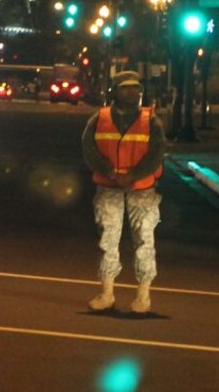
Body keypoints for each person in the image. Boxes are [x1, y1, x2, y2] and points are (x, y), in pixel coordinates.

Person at [81, 70, 166, 314]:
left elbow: (157, 153)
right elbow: (89, 149)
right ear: (115, 92)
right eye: (126, 87)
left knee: (144, 241)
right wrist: (109, 173)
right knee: (108, 240)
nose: (133, 92)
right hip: (109, 188)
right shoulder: (99, 118)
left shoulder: (151, 121)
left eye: (136, 87)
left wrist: (133, 176)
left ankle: (143, 296)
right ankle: (107, 293)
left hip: (142, 189)